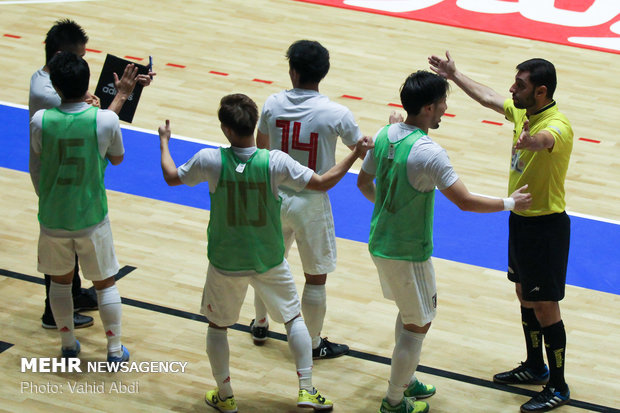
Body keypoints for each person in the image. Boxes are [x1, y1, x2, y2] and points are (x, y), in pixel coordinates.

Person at [157, 93, 371, 412]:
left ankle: (226, 395)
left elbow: (171, 177)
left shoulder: (209, 160)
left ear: (226, 129)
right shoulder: (275, 161)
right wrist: (355, 153)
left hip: (225, 260)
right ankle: (306, 389)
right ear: (254, 123)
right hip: (268, 257)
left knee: (218, 326)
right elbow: (324, 181)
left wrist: (164, 143)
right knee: (293, 317)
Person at [357, 70, 532, 413]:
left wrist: (387, 207)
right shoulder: (429, 153)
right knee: (419, 322)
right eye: (441, 104)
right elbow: (465, 201)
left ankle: (404, 381)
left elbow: (363, 184)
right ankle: (394, 400)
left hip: (380, 241)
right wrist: (510, 203)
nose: (444, 110)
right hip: (409, 252)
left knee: (410, 315)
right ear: (426, 108)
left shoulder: (384, 133)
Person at [428, 51, 573, 412]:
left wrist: (530, 143)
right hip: (521, 219)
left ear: (541, 92)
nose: (512, 89)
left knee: (546, 306)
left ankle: (558, 385)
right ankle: (535, 365)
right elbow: (489, 97)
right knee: (525, 295)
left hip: (546, 227)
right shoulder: (524, 111)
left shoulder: (557, 125)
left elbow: (549, 140)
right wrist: (454, 73)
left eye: (520, 85)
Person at [29, 18, 153, 330]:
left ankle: (72, 300)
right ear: (61, 57)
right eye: (81, 58)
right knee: (68, 251)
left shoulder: (47, 83)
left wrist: (127, 88)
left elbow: (83, 105)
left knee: (62, 247)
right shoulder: (49, 98)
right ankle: (53, 313)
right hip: (64, 184)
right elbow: (94, 124)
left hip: (58, 178)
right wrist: (122, 94)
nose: (83, 61)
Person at [252, 39, 361, 359]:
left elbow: (260, 150)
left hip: (274, 196)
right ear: (323, 73)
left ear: (293, 71)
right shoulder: (337, 113)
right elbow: (362, 150)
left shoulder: (272, 103)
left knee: (267, 264)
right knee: (315, 276)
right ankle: (313, 344)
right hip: (311, 199)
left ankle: (259, 323)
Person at [30, 52, 130, 363]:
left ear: (56, 88)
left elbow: (40, 154)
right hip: (91, 218)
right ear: (88, 85)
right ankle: (114, 350)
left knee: (60, 283)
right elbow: (116, 158)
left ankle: (68, 345)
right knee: (105, 284)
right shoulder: (104, 119)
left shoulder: (40, 121)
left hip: (53, 217)